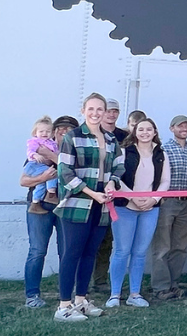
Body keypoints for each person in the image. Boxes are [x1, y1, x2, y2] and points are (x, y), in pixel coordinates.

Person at [52, 93, 124, 322]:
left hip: (102, 206)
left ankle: (81, 300)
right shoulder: (72, 137)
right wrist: (92, 193)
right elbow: (65, 172)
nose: (95, 113)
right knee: (71, 254)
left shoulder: (111, 140)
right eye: (91, 109)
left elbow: (118, 166)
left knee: (89, 254)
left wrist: (112, 182)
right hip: (77, 204)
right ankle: (64, 306)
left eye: (100, 109)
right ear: (83, 110)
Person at [106, 117, 171, 308]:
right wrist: (132, 197)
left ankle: (135, 294)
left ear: (155, 132)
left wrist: (154, 199)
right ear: (135, 132)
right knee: (121, 251)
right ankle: (115, 295)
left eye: (148, 129)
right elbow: (117, 177)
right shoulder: (125, 152)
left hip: (150, 209)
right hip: (125, 206)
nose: (144, 133)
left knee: (140, 252)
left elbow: (165, 181)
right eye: (140, 129)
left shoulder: (162, 154)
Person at [23, 116, 76, 308]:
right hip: (39, 207)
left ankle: (67, 295)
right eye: (60, 128)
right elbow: (23, 180)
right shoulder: (38, 149)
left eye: (68, 129)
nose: (63, 131)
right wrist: (43, 177)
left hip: (66, 206)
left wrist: (54, 158)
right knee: (37, 251)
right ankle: (32, 295)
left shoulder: (75, 153)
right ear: (53, 132)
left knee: (67, 252)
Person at [149, 114, 187, 300]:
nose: (184, 129)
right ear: (172, 128)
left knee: (180, 246)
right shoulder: (163, 149)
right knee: (162, 245)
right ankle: (160, 287)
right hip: (167, 202)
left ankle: (174, 284)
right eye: (180, 126)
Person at [23, 117, 59, 206]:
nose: (44, 134)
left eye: (47, 131)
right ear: (35, 133)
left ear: (52, 133)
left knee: (41, 185)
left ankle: (36, 202)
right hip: (35, 164)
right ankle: (51, 194)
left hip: (62, 203)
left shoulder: (52, 144)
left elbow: (65, 164)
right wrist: (36, 155)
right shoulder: (36, 142)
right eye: (41, 131)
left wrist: (50, 155)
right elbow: (23, 181)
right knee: (52, 174)